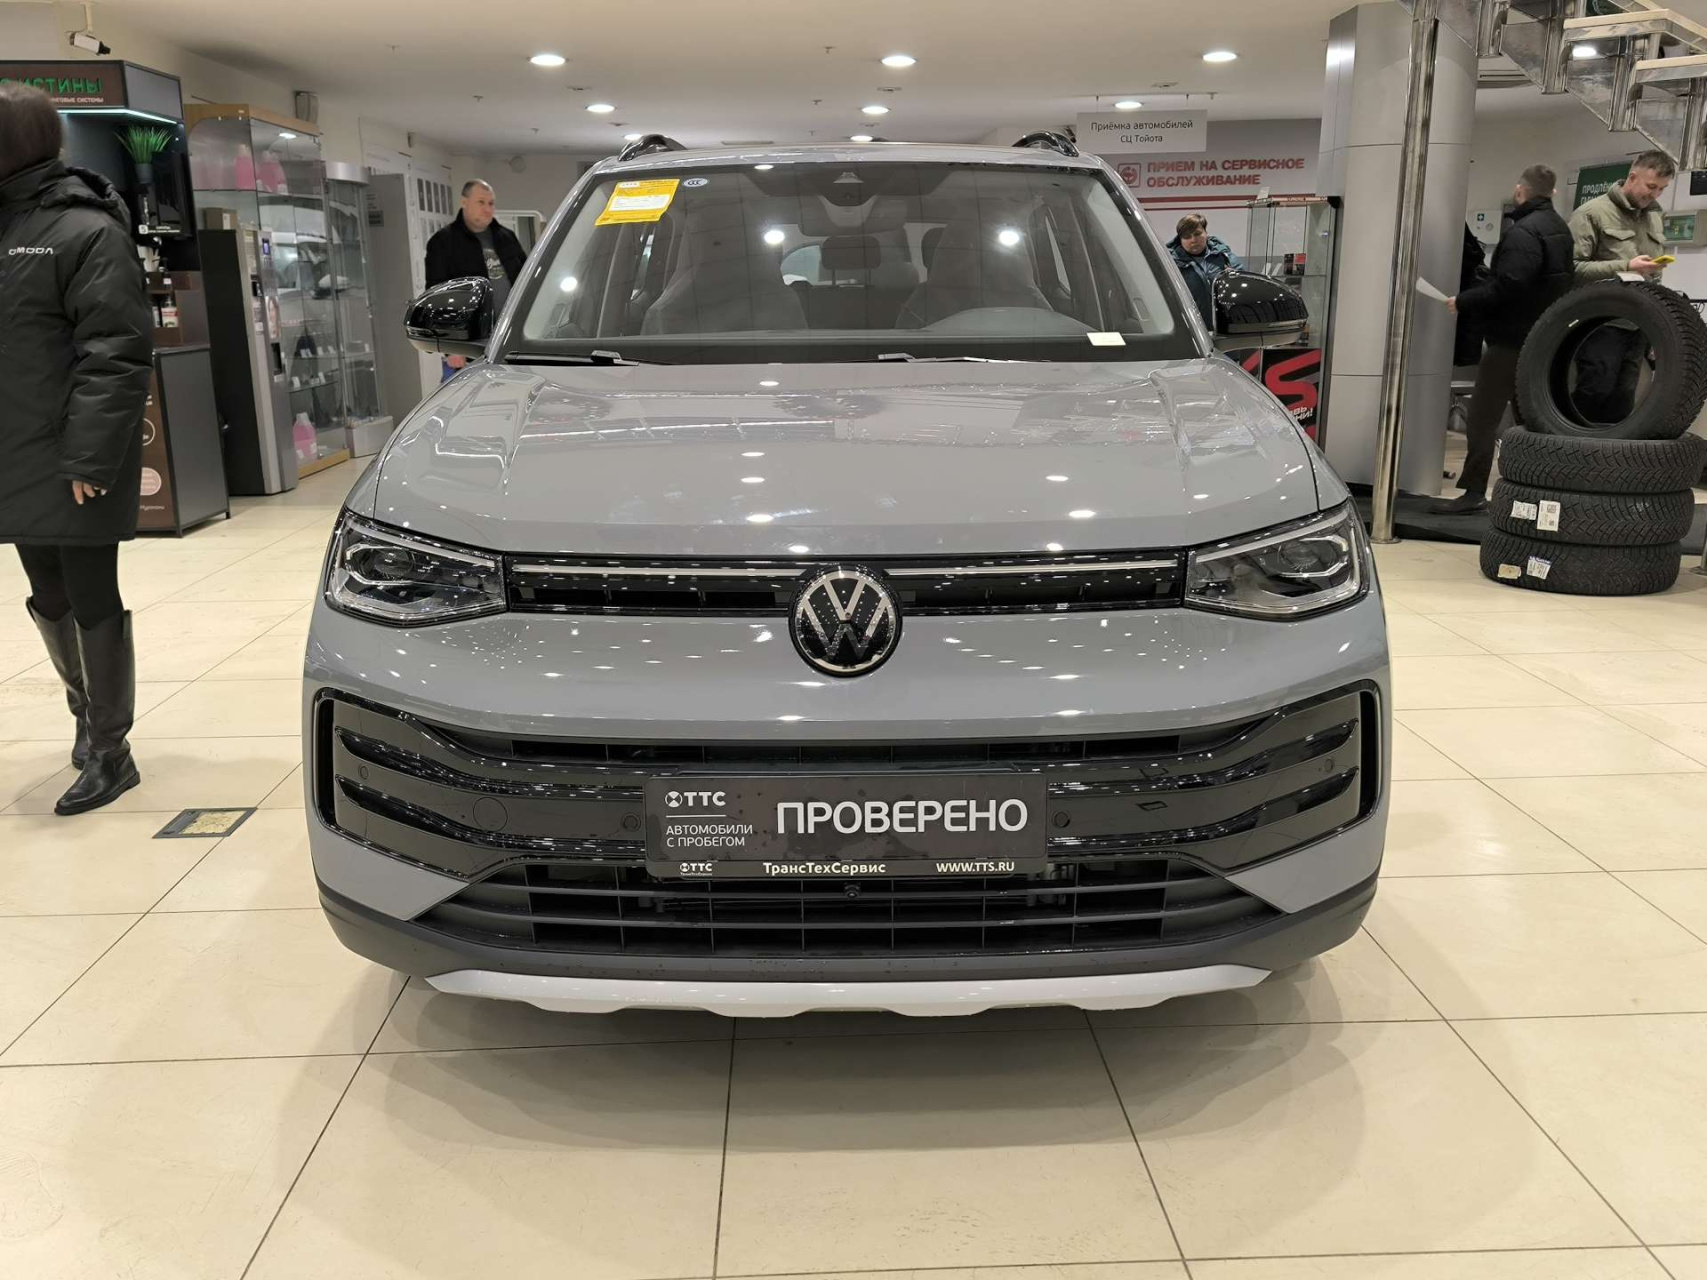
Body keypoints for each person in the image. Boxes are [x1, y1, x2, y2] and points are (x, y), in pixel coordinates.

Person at [0, 83, 154, 814]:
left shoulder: (85, 230)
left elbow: (116, 350)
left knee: (91, 595)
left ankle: (111, 750)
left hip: (73, 454)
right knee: (48, 593)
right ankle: (84, 721)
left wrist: (91, 456)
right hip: (15, 451)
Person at [1437, 164, 1573, 514]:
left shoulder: (1523, 233)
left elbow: (1509, 285)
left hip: (1511, 340)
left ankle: (1473, 492)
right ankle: (1534, 489)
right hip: (1544, 338)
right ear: (1553, 192)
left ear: (1520, 191)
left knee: (1483, 417)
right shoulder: (1560, 228)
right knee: (1530, 418)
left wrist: (1464, 300)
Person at [1568, 150, 1674, 423]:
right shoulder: (1592, 213)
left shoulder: (1654, 217)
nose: (1655, 194)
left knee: (1623, 399)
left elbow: (1653, 274)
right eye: (1651, 186)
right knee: (1594, 392)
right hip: (1599, 323)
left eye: (1662, 189)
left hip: (1637, 324)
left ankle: (1611, 452)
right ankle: (1571, 448)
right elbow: (1573, 269)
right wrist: (1627, 266)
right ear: (1632, 177)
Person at [424, 179, 526, 380]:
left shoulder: (507, 238)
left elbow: (524, 282)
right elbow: (438, 296)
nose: (487, 209)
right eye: (481, 202)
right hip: (470, 348)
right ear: (464, 202)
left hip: (510, 342)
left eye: (491, 203)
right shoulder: (444, 242)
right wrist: (451, 348)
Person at [1166, 213, 1244, 329]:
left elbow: (1242, 288)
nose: (1193, 240)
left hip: (1226, 328)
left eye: (1197, 234)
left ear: (1206, 233)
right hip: (1192, 331)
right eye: (1187, 237)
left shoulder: (1225, 257)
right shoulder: (1170, 264)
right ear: (1180, 240)